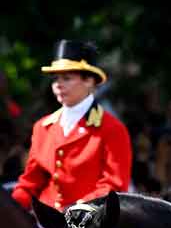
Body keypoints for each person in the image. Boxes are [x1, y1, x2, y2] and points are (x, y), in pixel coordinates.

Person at [12, 40, 132, 211]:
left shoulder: (112, 128)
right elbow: (31, 181)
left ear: (89, 81)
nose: (58, 85)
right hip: (45, 222)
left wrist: (76, 210)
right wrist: (12, 205)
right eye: (55, 79)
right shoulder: (42, 127)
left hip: (88, 226)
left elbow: (114, 186)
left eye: (66, 78)